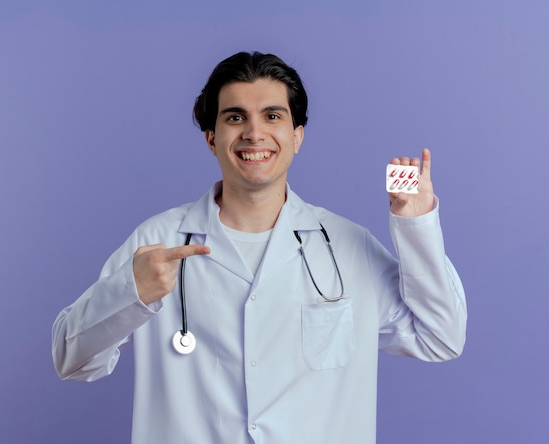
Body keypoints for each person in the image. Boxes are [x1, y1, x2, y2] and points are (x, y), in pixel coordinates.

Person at [52, 51, 467, 444]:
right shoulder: (158, 241)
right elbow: (71, 359)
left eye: (273, 115)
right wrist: (130, 292)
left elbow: (440, 338)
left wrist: (416, 227)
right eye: (236, 117)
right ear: (212, 138)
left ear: (297, 135)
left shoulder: (346, 245)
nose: (254, 133)